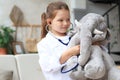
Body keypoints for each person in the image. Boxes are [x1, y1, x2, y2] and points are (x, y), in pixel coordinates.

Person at [37, 1, 80, 80]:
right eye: (60, 20)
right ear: (49, 22)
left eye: (68, 19)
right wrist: (68, 53)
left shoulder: (74, 38)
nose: (65, 23)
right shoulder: (44, 44)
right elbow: (47, 66)